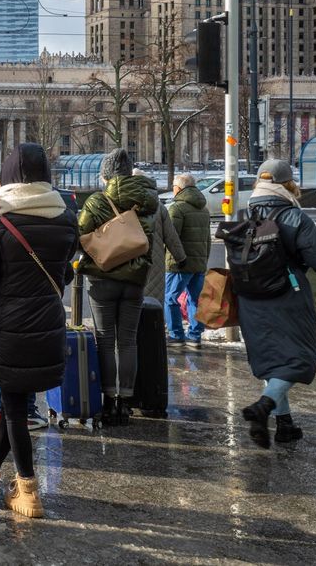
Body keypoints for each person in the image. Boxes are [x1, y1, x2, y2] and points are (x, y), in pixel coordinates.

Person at [0, 144, 78, 518]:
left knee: (14, 410)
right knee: (15, 403)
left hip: (8, 327)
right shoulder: (64, 218)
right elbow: (66, 273)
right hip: (46, 323)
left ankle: (27, 490)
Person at [238, 160, 316, 448]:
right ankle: (264, 406)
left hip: (250, 299)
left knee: (272, 359)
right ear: (287, 184)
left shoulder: (244, 215)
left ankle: (285, 425)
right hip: (287, 297)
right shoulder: (294, 217)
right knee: (298, 357)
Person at [76, 148, 159, 426]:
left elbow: (81, 236)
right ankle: (125, 402)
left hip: (102, 278)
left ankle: (108, 400)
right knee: (128, 341)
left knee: (105, 340)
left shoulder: (97, 201)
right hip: (136, 280)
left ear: (106, 175)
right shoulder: (148, 200)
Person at [165, 174, 211, 346]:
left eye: (173, 185)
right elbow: (207, 239)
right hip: (199, 263)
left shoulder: (177, 208)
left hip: (180, 263)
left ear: (179, 188)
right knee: (195, 299)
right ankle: (195, 335)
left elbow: (171, 237)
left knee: (170, 298)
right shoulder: (203, 209)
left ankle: (176, 335)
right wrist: (204, 260)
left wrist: (174, 258)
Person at [138, 170, 186, 308]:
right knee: (153, 304)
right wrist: (181, 258)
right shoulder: (159, 207)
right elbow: (171, 236)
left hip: (128, 262)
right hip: (154, 262)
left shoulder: (122, 205)